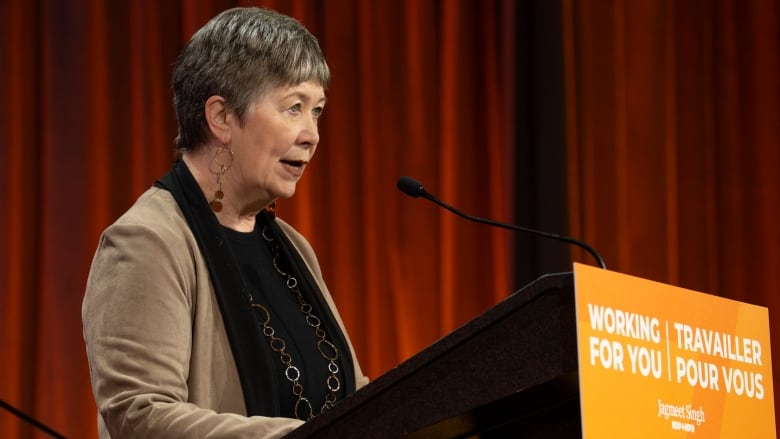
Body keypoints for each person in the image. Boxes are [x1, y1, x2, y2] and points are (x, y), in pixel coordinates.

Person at [82, 7, 369, 438]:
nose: (312, 134)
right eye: (294, 107)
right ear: (221, 118)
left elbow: (356, 397)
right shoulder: (145, 242)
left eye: (317, 111)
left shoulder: (292, 247)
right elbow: (139, 415)